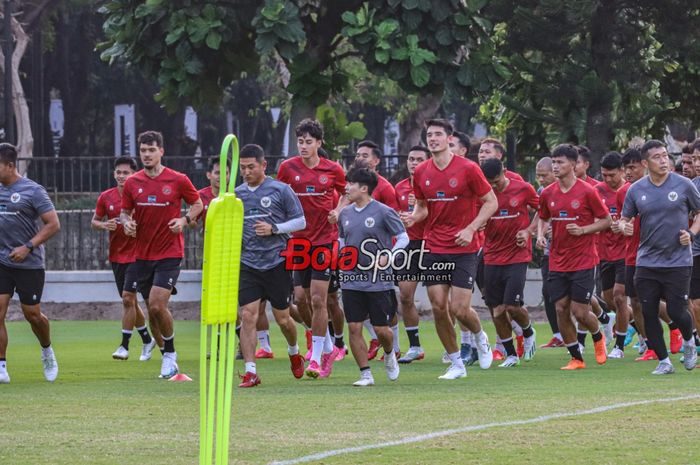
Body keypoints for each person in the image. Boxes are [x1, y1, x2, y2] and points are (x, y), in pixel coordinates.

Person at [402, 118, 497, 380]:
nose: (432, 139)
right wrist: (413, 217)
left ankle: (480, 336)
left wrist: (471, 228)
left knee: (459, 309)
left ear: (449, 138)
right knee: (437, 306)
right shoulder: (421, 172)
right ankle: (456, 363)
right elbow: (422, 208)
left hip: (465, 247)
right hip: (434, 246)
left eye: (437, 134)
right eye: (429, 135)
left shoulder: (468, 169)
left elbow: (491, 202)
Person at [120, 131, 203, 379]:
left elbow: (198, 204)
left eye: (151, 150)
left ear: (161, 152)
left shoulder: (178, 179)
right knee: (151, 309)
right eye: (143, 150)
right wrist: (126, 223)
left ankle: (171, 354)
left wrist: (184, 219)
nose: (146, 154)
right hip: (142, 255)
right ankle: (165, 354)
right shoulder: (132, 183)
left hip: (169, 252)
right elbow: (125, 212)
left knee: (157, 304)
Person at [619, 139, 700, 374]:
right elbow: (625, 219)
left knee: (676, 310)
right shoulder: (636, 190)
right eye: (657, 157)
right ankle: (664, 361)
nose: (664, 160)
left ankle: (689, 341)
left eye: (665, 155)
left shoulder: (684, 185)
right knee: (648, 311)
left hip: (678, 261)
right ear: (646, 163)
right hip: (646, 261)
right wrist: (624, 226)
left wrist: (691, 234)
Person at [277, 118, 348, 378]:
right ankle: (327, 344)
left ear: (319, 143)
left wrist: (338, 210)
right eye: (300, 141)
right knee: (300, 299)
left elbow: (348, 192)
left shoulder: (333, 169)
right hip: (297, 242)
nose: (303, 146)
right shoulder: (287, 168)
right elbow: (278, 195)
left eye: (309, 141)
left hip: (325, 241)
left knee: (319, 298)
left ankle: (316, 358)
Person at [235, 144, 307, 387]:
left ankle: (294, 351)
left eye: (251, 167)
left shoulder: (281, 190)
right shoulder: (236, 195)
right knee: (248, 316)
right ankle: (251, 371)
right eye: (242, 168)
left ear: (263, 165)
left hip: (277, 262)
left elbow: (301, 221)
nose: (246, 172)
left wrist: (275, 228)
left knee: (283, 319)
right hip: (247, 263)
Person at [537, 143, 611, 370]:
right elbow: (543, 217)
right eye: (554, 162)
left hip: (584, 259)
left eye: (560, 162)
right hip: (558, 259)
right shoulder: (548, 193)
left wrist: (583, 230)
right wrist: (540, 235)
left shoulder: (588, 191)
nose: (555, 166)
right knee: (560, 308)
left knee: (580, 312)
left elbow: (606, 220)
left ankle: (598, 336)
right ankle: (576, 358)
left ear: (572, 164)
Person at [338, 166, 407, 386]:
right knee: (354, 326)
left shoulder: (384, 212)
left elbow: (403, 238)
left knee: (381, 330)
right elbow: (342, 241)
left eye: (351, 184)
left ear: (364, 188)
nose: (346, 188)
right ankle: (365, 374)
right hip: (351, 280)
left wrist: (389, 256)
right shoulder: (345, 213)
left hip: (379, 280)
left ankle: (389, 352)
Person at [0, 143, 61, 383]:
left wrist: (28, 247)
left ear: (10, 165)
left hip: (29, 263)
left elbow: (53, 224)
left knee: (32, 315)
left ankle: (46, 349)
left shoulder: (33, 191)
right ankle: (2, 365)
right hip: (2, 262)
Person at [92, 156, 157, 361]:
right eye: (118, 172)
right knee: (129, 300)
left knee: (128, 298)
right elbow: (94, 221)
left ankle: (124, 345)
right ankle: (147, 339)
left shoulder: (141, 196)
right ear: (114, 174)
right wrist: (105, 225)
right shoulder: (106, 197)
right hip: (116, 256)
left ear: (134, 175)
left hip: (137, 255)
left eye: (126, 173)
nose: (121, 176)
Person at [480, 158, 539, 367]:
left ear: (505, 171)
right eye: (490, 182)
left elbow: (543, 211)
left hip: (517, 255)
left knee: (513, 306)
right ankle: (511, 354)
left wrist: (529, 231)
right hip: (492, 256)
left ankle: (529, 331)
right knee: (496, 311)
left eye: (496, 181)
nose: (494, 186)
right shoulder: (483, 193)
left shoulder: (523, 188)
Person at [354, 139, 400, 359]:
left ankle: (395, 346)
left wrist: (387, 256)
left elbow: (395, 222)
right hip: (355, 260)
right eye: (358, 154)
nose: (359, 158)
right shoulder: (352, 186)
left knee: (387, 309)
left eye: (364, 155)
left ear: (376, 160)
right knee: (354, 305)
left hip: (381, 260)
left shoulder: (385, 188)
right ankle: (375, 338)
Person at [394, 145, 430, 363]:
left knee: (442, 301)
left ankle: (460, 345)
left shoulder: (434, 184)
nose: (414, 163)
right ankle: (415, 346)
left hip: (434, 244)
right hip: (410, 246)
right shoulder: (398, 187)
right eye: (411, 158)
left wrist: (418, 211)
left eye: (419, 159)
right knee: (406, 296)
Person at [594, 152, 632, 358]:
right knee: (609, 300)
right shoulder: (596, 191)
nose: (608, 180)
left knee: (619, 296)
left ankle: (619, 346)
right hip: (604, 253)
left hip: (626, 252)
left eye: (612, 175)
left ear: (622, 171)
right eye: (604, 175)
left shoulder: (631, 191)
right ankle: (637, 325)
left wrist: (626, 226)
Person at [535, 156, 563, 348]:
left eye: (544, 175)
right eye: (538, 176)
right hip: (549, 251)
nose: (541, 179)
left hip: (573, 252)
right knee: (548, 291)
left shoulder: (575, 189)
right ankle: (558, 335)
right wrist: (539, 234)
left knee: (574, 298)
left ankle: (602, 319)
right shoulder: (541, 192)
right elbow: (541, 216)